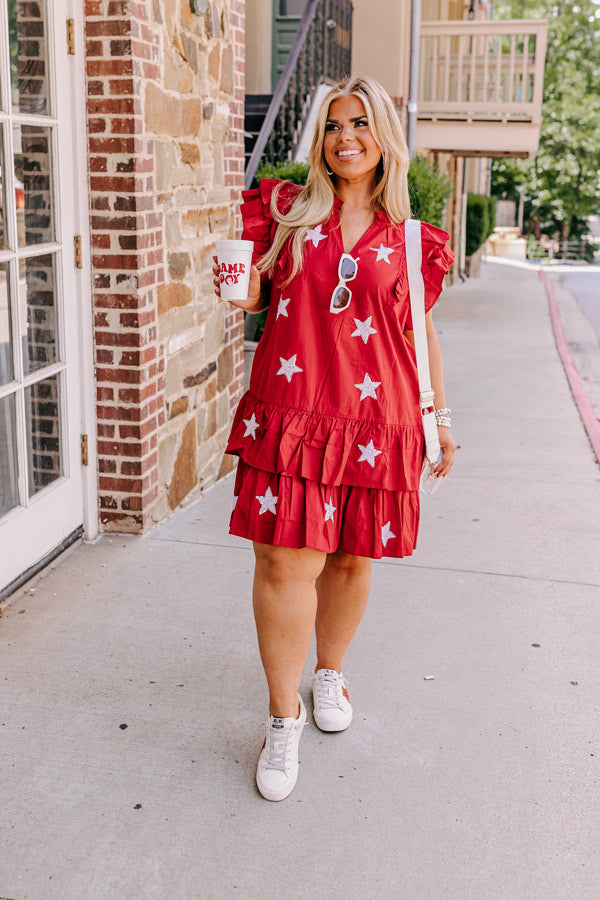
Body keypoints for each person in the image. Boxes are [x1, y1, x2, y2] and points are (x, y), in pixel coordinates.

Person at [212, 75, 456, 802]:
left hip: (378, 423)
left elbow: (420, 335)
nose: (345, 137)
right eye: (332, 125)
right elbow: (252, 293)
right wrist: (234, 279)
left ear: (383, 138)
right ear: (318, 139)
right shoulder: (284, 210)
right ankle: (281, 721)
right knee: (287, 564)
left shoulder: (414, 240)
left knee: (351, 561)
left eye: (359, 124)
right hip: (294, 413)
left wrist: (439, 418)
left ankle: (330, 673)